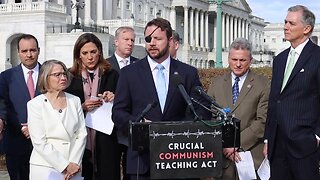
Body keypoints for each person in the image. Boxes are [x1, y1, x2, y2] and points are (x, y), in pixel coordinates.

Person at [112, 17, 211, 180]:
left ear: (170, 40)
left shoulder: (188, 73)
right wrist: (139, 126)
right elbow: (118, 113)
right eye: (148, 39)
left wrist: (178, 132)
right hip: (142, 162)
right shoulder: (129, 73)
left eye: (157, 38)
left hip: (179, 160)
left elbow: (201, 111)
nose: (152, 43)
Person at [263, 5, 320, 180]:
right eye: (285, 22)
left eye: (291, 23)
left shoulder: (317, 57)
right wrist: (267, 138)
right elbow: (275, 100)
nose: (285, 27)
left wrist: (317, 136)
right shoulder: (279, 60)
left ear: (307, 29)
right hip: (277, 145)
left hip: (304, 145)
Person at [207, 38, 270, 179]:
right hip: (222, 158)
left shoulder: (263, 84)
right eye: (234, 59)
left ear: (251, 60)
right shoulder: (216, 84)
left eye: (242, 60)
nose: (238, 64)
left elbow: (262, 121)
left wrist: (237, 144)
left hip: (251, 156)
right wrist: (224, 145)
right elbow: (209, 118)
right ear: (228, 59)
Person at [65, 33, 120, 180]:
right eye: (85, 53)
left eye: (93, 52)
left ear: (100, 52)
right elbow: (64, 109)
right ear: (78, 55)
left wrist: (114, 97)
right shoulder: (70, 77)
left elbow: (124, 103)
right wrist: (81, 107)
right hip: (79, 138)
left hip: (107, 138)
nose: (90, 57)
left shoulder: (112, 74)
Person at [27, 60, 87, 180]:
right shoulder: (35, 104)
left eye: (64, 73)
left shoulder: (74, 100)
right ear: (46, 77)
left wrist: (74, 163)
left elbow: (81, 134)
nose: (63, 77)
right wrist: (64, 165)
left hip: (74, 165)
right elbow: (39, 141)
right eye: (57, 75)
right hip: (45, 166)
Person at [0, 34, 41, 180]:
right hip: (16, 143)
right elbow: (3, 105)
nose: (29, 55)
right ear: (18, 52)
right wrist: (22, 127)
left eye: (32, 50)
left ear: (39, 50)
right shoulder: (5, 77)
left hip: (45, 146)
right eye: (24, 51)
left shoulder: (49, 75)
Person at [107, 26, 139, 180]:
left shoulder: (140, 65)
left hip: (132, 124)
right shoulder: (105, 65)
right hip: (109, 127)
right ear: (116, 42)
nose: (130, 43)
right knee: (111, 168)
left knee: (130, 169)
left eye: (132, 40)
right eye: (126, 39)